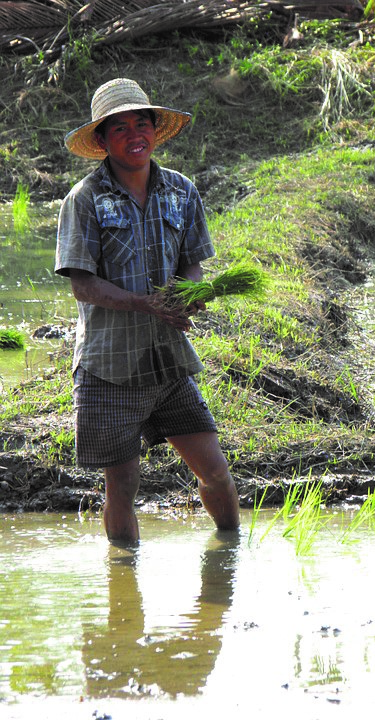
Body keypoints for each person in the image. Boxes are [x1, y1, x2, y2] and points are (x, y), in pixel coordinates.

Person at [55, 78, 240, 545]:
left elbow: (193, 265)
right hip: (109, 368)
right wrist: (143, 303)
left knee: (215, 471)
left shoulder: (181, 191)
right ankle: (125, 587)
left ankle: (231, 556)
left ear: (156, 130)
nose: (135, 135)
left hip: (169, 361)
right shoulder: (85, 199)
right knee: (122, 485)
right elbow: (81, 284)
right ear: (101, 141)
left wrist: (187, 295)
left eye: (143, 123)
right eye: (120, 128)